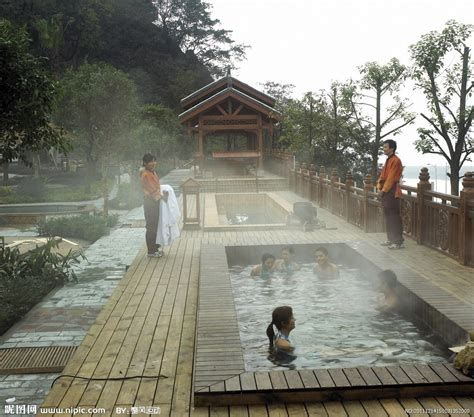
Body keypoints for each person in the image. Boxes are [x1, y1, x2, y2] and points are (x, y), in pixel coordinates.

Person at [377, 139, 404, 250]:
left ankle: (397, 242)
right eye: (383, 147)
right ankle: (390, 239)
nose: (384, 149)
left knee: (394, 217)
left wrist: (383, 190)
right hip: (386, 191)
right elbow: (383, 176)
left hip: (392, 191)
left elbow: (391, 178)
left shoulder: (396, 161)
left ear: (391, 148)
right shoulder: (388, 160)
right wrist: (379, 187)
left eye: (385, 147)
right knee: (388, 216)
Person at [139, 154, 167, 257]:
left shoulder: (152, 172)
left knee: (155, 225)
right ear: (145, 163)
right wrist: (163, 197)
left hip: (155, 201)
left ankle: (155, 248)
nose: (153, 163)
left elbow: (157, 186)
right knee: (151, 226)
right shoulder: (146, 174)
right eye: (150, 161)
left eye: (154, 161)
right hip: (150, 202)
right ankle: (151, 251)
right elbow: (152, 189)